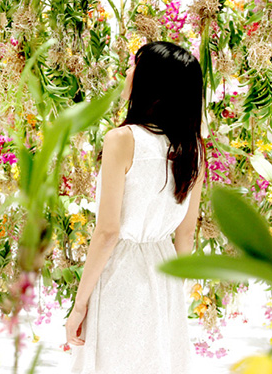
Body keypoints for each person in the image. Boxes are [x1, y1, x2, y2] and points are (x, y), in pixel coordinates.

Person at [65, 41, 206, 374]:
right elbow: (186, 234)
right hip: (166, 272)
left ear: (149, 82)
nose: (127, 73)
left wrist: (79, 305)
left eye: (133, 67)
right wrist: (173, 294)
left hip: (121, 273)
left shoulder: (122, 139)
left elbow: (108, 232)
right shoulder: (193, 149)